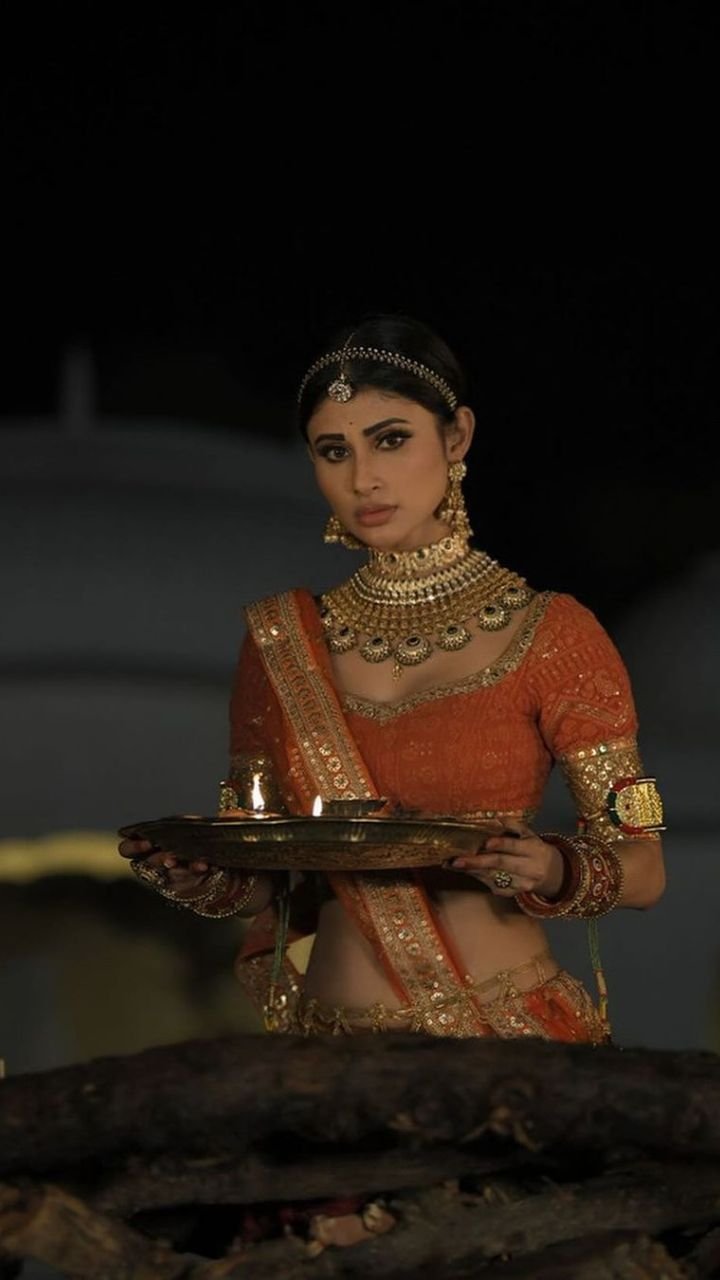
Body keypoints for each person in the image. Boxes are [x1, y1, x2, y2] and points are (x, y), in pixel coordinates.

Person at [119, 313, 666, 1044]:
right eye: (333, 451)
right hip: (326, 1049)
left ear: (457, 437)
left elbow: (644, 867)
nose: (362, 478)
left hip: (505, 1038)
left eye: (391, 439)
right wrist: (205, 877)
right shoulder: (280, 644)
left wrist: (550, 867)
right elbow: (265, 873)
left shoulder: (553, 633)